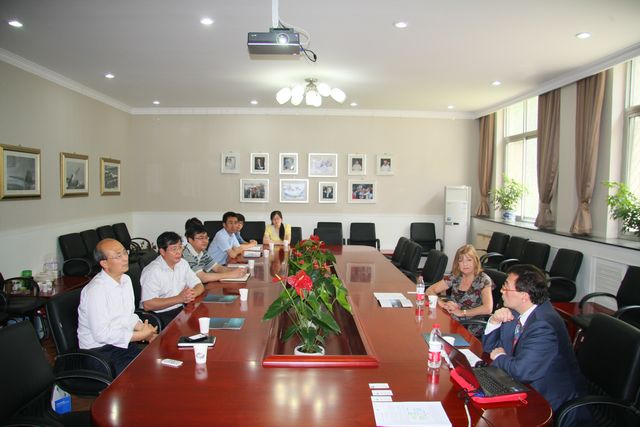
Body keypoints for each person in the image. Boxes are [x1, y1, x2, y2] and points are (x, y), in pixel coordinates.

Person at [482, 264, 586, 417]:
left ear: (524, 295)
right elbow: (489, 348)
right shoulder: (516, 311)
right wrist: (494, 321)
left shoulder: (544, 325)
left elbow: (522, 371)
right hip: (520, 385)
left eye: (506, 287)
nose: (501, 291)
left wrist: (499, 356)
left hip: (548, 401)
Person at [77, 238, 158, 375]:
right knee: (143, 376)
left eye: (125, 253)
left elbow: (127, 316)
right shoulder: (96, 291)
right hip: (100, 352)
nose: (125, 258)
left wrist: (145, 329)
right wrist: (139, 335)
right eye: (118, 256)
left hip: (123, 345)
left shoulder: (125, 279)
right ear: (104, 263)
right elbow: (101, 334)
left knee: (156, 364)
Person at [140, 231, 205, 327]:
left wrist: (191, 294)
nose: (178, 252)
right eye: (174, 249)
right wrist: (179, 299)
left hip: (180, 309)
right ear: (162, 252)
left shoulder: (182, 263)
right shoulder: (152, 271)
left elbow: (199, 285)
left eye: (180, 247)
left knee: (203, 321)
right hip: (159, 315)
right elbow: (148, 304)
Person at [426, 244, 493, 321]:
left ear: (475, 261)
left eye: (469, 260)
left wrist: (462, 312)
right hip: (452, 319)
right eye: (461, 261)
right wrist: (442, 303)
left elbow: (488, 308)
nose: (465, 264)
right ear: (457, 264)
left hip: (471, 323)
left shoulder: (484, 280)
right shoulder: (455, 276)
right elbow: (429, 290)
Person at [183, 223, 247, 283]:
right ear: (190, 240)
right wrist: (231, 274)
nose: (205, 241)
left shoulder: (202, 252)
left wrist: (236, 271)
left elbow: (217, 268)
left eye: (206, 238)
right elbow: (202, 277)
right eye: (201, 238)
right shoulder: (185, 254)